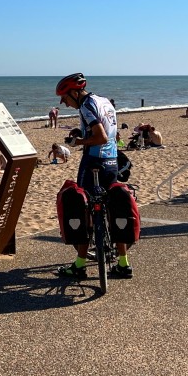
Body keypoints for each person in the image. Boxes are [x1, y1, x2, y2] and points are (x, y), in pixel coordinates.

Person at [54, 73, 132, 278]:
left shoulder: (85, 106)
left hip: (93, 162)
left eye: (64, 96)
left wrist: (77, 143)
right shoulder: (105, 102)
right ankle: (123, 263)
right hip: (112, 161)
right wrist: (81, 135)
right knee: (114, 207)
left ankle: (79, 265)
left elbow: (100, 136)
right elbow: (109, 134)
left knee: (83, 210)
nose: (63, 102)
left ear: (74, 92)